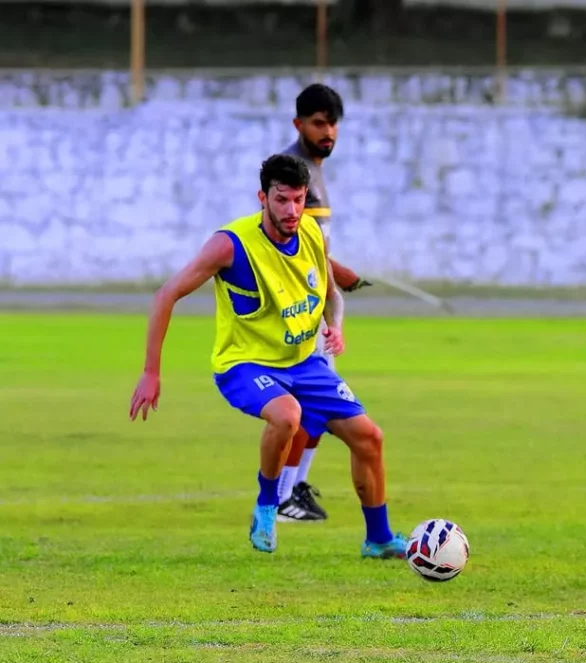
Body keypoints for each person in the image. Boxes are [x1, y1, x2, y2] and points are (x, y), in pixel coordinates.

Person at [128, 153, 406, 559]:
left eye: (298, 200)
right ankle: (267, 505)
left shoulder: (311, 233)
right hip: (244, 364)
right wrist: (151, 372)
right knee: (287, 415)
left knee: (369, 438)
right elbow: (166, 294)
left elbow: (330, 293)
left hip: (303, 364)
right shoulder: (230, 244)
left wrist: (337, 326)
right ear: (263, 197)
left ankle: (378, 539)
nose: (292, 210)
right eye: (282, 200)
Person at [275, 83, 374, 523]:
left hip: (317, 305)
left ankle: (291, 490)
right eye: (319, 123)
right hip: (298, 308)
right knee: (311, 407)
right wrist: (340, 271)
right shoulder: (296, 172)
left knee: (315, 408)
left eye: (333, 123)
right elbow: (293, 241)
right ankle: (282, 495)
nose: (328, 131)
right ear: (299, 124)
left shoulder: (314, 167)